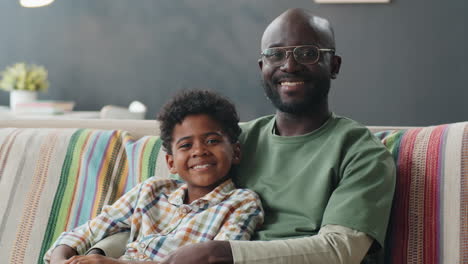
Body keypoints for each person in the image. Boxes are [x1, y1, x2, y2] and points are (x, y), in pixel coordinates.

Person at [91, 8, 396, 264]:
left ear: (334, 65)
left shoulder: (360, 152)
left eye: (307, 53)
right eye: (276, 55)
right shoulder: (228, 142)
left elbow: (340, 250)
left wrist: (222, 252)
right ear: (263, 68)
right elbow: (162, 217)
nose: (289, 65)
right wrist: (99, 253)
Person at [44, 90, 264, 264]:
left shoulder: (242, 203)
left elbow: (217, 259)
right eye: (186, 145)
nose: (199, 151)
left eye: (212, 141)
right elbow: (87, 232)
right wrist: (60, 259)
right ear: (171, 163)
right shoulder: (151, 191)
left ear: (235, 152)